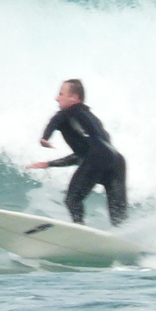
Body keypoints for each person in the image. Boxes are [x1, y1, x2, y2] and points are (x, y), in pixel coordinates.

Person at [28, 79, 128, 226]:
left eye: (61, 94)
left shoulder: (64, 114)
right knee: (118, 218)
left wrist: (45, 138)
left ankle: (80, 232)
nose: (57, 98)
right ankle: (126, 238)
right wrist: (49, 164)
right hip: (117, 161)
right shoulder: (93, 119)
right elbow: (90, 154)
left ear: (74, 97)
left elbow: (53, 123)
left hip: (98, 157)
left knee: (72, 200)